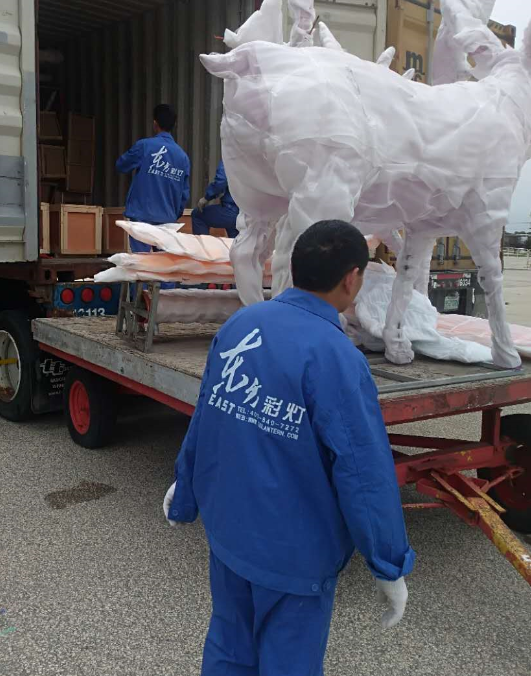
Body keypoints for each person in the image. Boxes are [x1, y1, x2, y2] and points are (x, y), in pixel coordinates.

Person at [163, 220, 415, 676]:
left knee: (229, 647)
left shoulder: (242, 324)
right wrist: (388, 565)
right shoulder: (337, 357)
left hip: (230, 537)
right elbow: (363, 473)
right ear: (352, 278)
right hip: (294, 556)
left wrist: (186, 491)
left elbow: (207, 417)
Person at [116, 104, 190, 253]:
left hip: (142, 215)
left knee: (141, 261)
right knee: (163, 263)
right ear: (174, 125)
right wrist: (174, 214)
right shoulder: (183, 157)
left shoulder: (145, 146)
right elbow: (184, 194)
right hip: (167, 219)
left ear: (155, 123)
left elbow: (121, 165)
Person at [192, 160, 239, 238]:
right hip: (250, 215)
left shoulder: (230, 158)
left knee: (197, 215)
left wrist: (206, 198)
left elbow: (221, 182)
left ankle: (203, 245)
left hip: (232, 210)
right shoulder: (253, 159)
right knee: (236, 239)